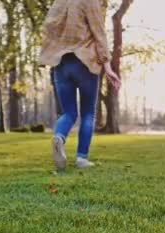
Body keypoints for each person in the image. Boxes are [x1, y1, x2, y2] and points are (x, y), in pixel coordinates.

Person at [39, 0, 121, 170]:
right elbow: (99, 32)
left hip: (61, 64)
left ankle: (59, 137)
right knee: (88, 113)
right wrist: (107, 65)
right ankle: (82, 158)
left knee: (68, 113)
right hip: (85, 62)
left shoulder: (59, 3)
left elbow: (48, 28)